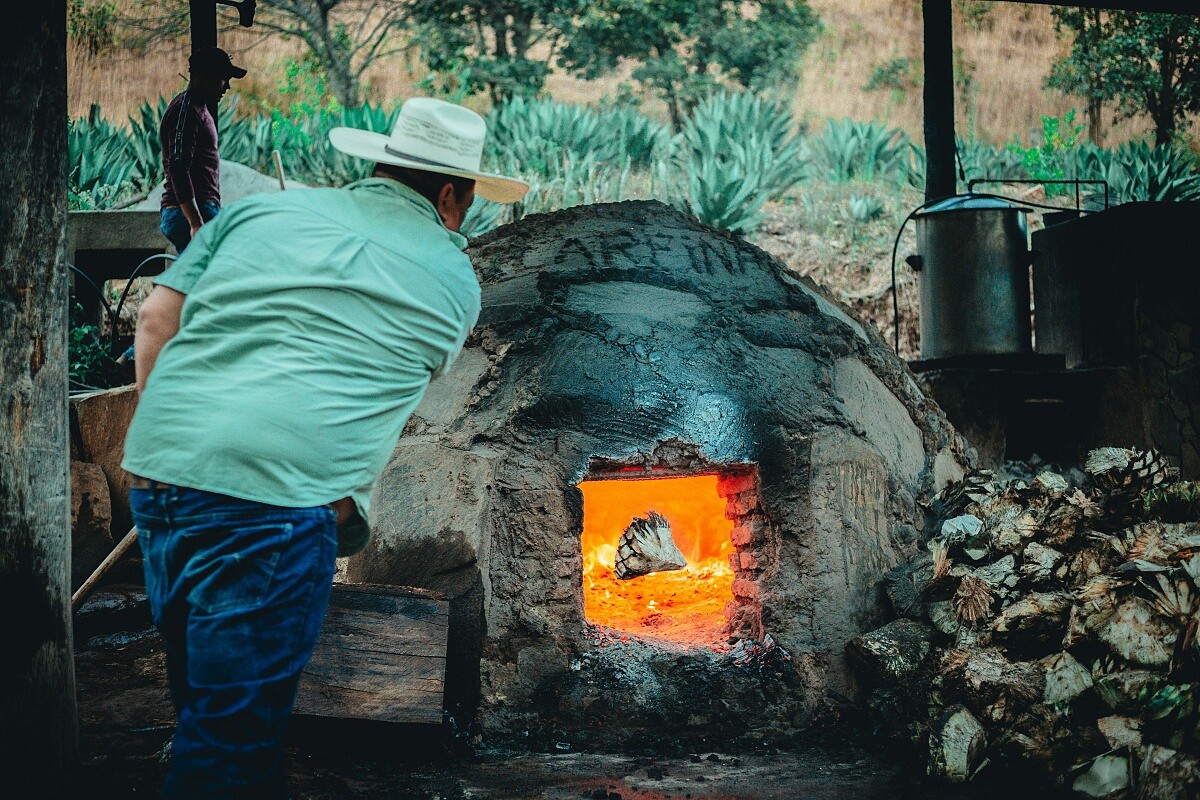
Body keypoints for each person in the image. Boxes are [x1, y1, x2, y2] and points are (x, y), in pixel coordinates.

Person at [121, 97, 527, 799]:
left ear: (376, 164)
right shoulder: (455, 280)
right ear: (451, 194)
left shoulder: (258, 214)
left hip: (161, 480)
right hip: (272, 507)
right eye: (465, 203)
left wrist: (166, 450)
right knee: (229, 740)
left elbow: (157, 318)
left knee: (212, 711)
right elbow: (376, 388)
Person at [159, 46, 246, 253]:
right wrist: (195, 222)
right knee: (203, 280)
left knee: (201, 280)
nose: (227, 87)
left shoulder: (197, 108)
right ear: (205, 74)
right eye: (223, 78)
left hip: (200, 209)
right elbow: (178, 167)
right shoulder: (185, 110)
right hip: (190, 212)